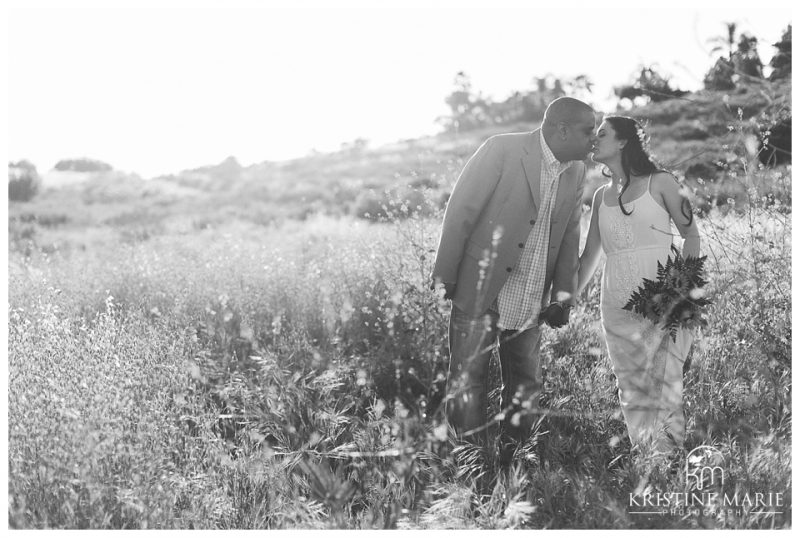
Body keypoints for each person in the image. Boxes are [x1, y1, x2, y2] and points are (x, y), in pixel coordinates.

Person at [431, 97, 596, 460]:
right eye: (589, 131)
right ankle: (469, 461)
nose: (594, 140)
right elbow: (461, 210)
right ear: (561, 129)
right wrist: (445, 275)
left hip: (532, 296)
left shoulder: (576, 171)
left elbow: (570, 235)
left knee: (526, 382)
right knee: (468, 380)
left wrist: (562, 297)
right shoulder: (501, 149)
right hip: (482, 287)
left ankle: (515, 456)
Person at [577, 115, 701, 455]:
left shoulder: (661, 182)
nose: (594, 139)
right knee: (630, 386)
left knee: (664, 382)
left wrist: (682, 290)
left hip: (662, 299)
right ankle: (648, 461)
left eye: (601, 134)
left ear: (622, 142)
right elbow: (589, 256)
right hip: (615, 307)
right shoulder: (601, 196)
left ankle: (671, 460)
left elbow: (691, 235)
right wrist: (564, 296)